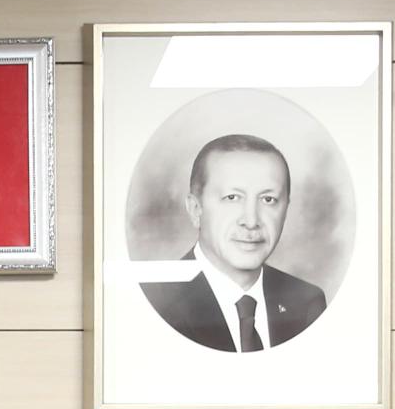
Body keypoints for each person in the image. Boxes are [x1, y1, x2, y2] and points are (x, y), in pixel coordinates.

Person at [141, 133, 329, 353]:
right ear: (195, 209)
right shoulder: (154, 303)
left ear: (285, 209)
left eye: (268, 199)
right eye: (232, 198)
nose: (251, 221)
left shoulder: (307, 303)